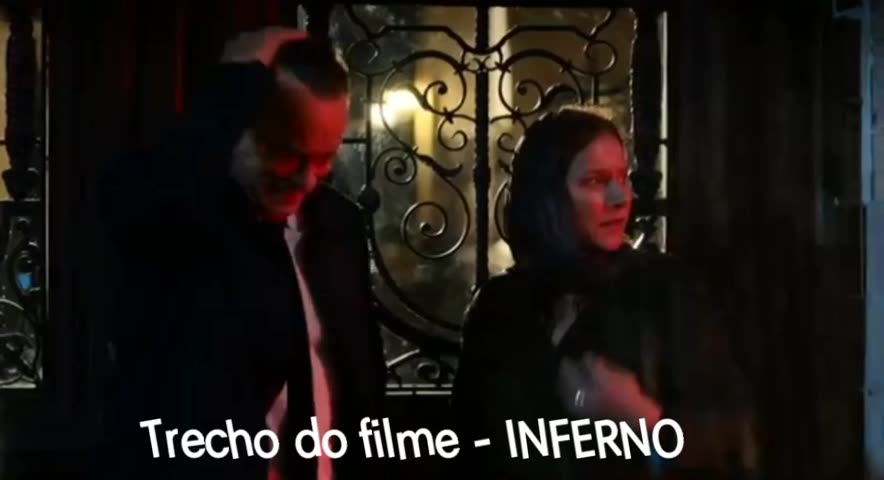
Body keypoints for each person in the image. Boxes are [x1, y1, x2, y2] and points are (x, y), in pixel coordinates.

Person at [97, 28, 388, 480]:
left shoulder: (338, 227)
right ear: (237, 124)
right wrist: (238, 81)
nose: (306, 180)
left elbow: (360, 388)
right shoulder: (182, 223)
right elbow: (144, 197)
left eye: (323, 160)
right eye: (287, 155)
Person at [450, 106, 757, 479]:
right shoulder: (500, 307)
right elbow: (471, 449)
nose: (618, 197)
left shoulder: (664, 290)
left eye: (622, 178)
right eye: (595, 180)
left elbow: (732, 444)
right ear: (549, 195)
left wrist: (642, 418)